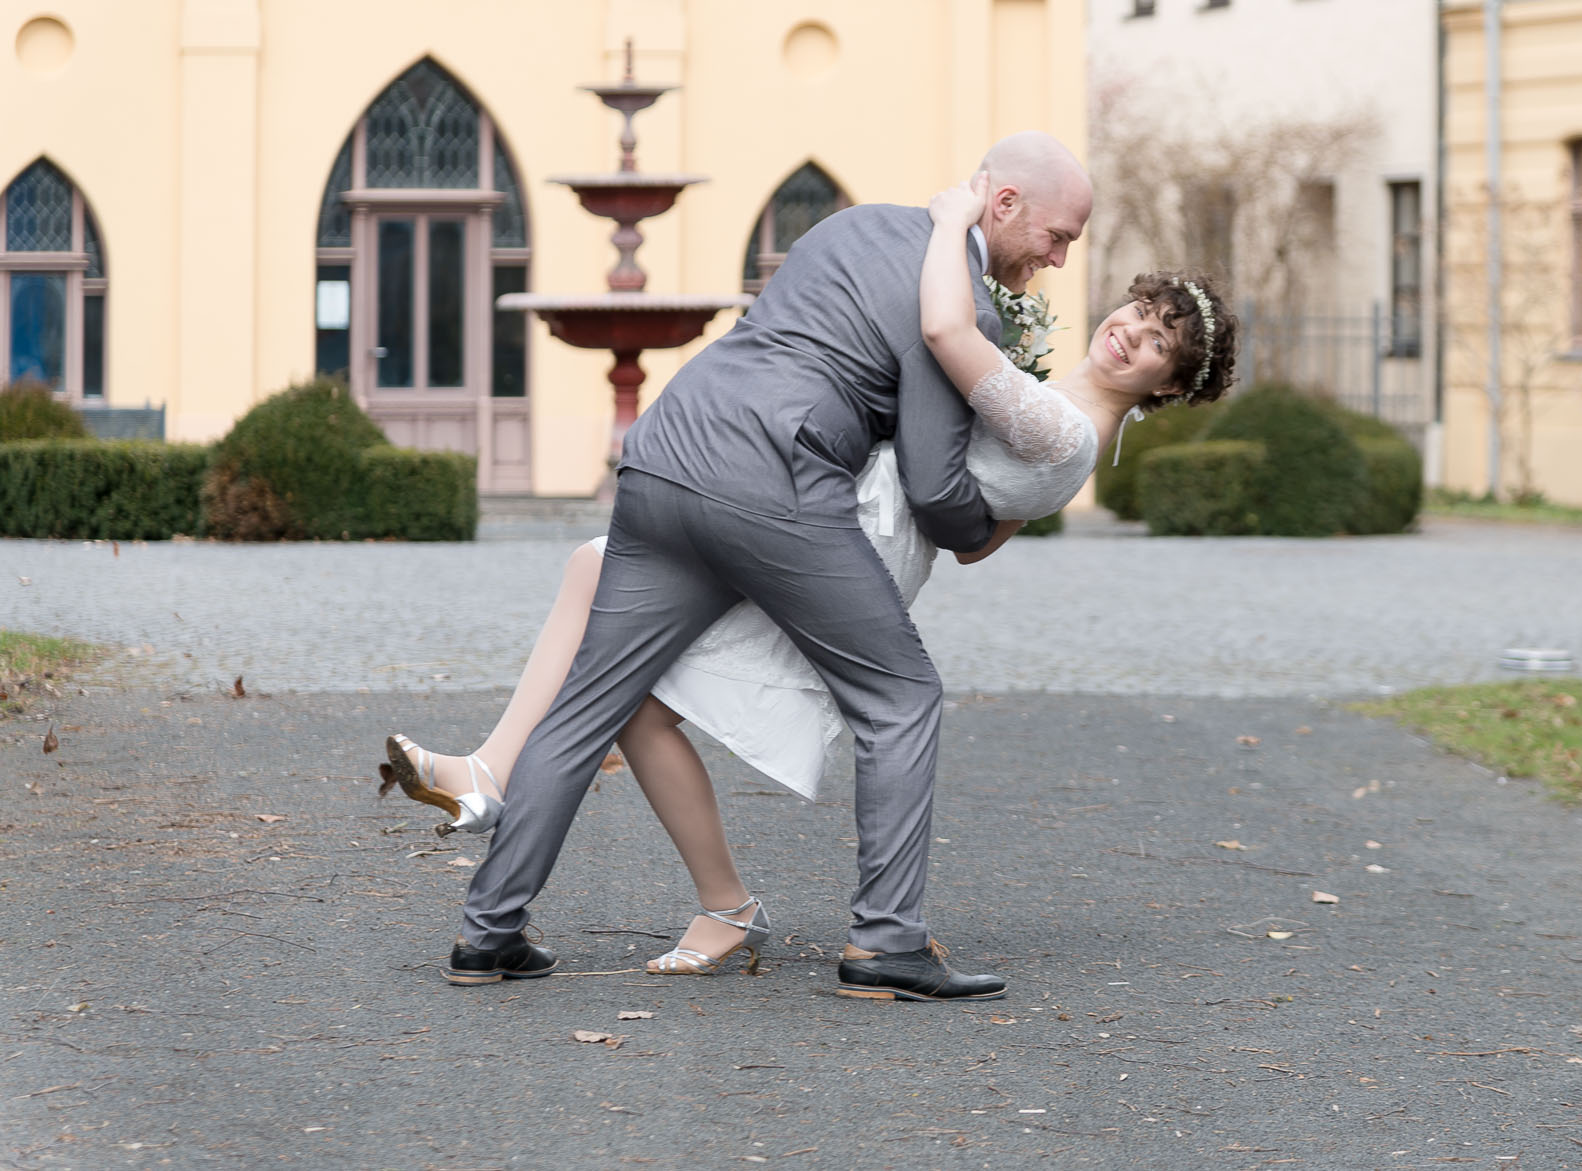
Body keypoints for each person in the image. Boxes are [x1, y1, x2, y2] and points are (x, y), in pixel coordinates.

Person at [386, 136, 1238, 999]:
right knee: (901, 698)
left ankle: (488, 933)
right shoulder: (964, 314)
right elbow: (939, 492)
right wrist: (985, 524)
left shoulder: (852, 225)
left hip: (667, 454)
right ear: (1005, 203)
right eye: (1058, 235)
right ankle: (886, 943)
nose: (1059, 258)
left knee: (588, 702)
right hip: (772, 482)